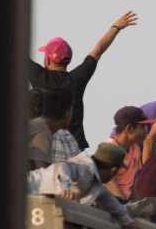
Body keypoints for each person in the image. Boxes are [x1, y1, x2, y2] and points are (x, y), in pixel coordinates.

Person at [29, 11, 138, 148]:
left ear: (48, 59)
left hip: (44, 147)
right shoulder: (77, 79)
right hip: (74, 148)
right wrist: (116, 27)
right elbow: (98, 50)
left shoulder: (38, 76)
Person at [26, 143, 143, 229]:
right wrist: (63, 188)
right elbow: (62, 166)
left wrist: (129, 223)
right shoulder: (85, 168)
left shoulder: (97, 186)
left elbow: (113, 205)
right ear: (113, 170)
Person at [102, 105, 155, 202]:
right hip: (110, 199)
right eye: (142, 128)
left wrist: (136, 204)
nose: (145, 132)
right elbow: (110, 183)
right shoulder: (110, 149)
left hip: (125, 201)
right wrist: (126, 205)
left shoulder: (135, 149)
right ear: (130, 128)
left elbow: (133, 185)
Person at [25, 88, 79, 170]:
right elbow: (43, 175)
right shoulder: (42, 132)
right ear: (67, 113)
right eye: (71, 109)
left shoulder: (38, 125)